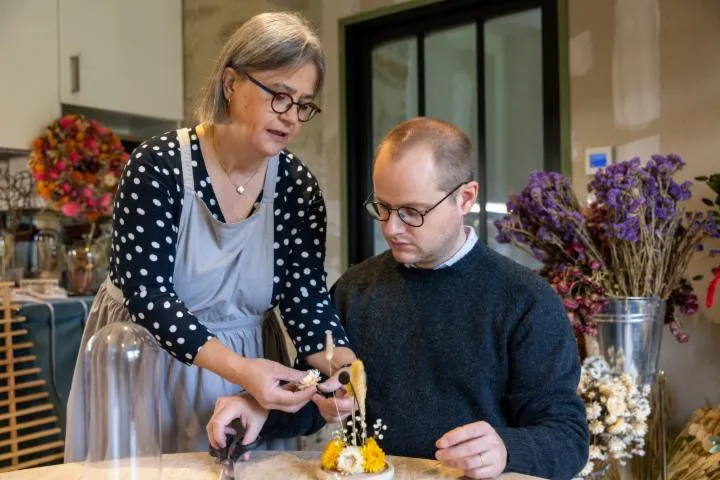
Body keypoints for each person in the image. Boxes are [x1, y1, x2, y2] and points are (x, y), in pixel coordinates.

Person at [208, 117, 589, 480]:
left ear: (465, 198)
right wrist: (258, 406)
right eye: (384, 207)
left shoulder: (526, 301)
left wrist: (507, 448)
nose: (391, 228)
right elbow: (323, 389)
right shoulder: (357, 287)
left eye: (412, 212)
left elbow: (568, 438)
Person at [65, 11, 356, 461]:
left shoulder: (296, 186)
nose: (292, 118)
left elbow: (304, 295)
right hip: (146, 362)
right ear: (231, 83)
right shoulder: (157, 167)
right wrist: (241, 369)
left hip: (248, 373)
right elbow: (149, 296)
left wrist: (338, 364)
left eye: (304, 105)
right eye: (280, 97)